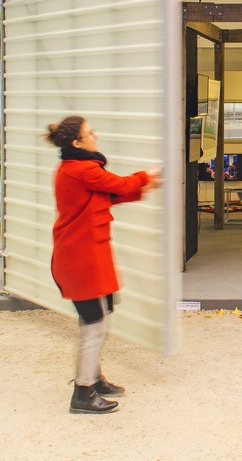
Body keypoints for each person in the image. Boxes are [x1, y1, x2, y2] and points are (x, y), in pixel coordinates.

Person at [45, 116, 159, 415]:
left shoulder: (77, 169)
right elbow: (119, 185)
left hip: (89, 256)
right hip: (81, 260)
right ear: (77, 143)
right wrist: (146, 176)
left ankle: (93, 379)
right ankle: (83, 393)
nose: (96, 135)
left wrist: (144, 185)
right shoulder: (82, 170)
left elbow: (108, 196)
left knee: (99, 318)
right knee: (94, 324)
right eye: (90, 133)